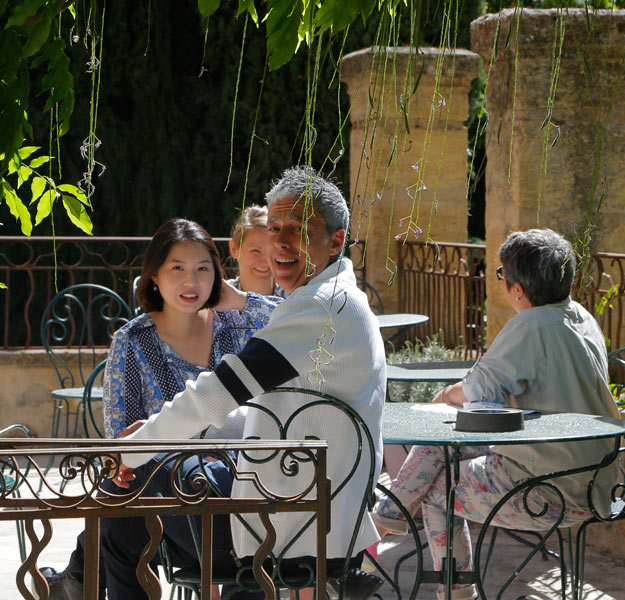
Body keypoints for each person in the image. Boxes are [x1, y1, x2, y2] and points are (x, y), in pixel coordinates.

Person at [102, 166, 386, 600]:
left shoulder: (324, 308)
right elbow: (262, 410)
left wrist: (137, 449)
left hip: (290, 530)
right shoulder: (329, 299)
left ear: (336, 240)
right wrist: (158, 438)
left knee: (124, 499)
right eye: (274, 228)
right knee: (141, 489)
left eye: (298, 228)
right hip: (299, 513)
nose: (282, 242)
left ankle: (78, 579)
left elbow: (220, 391)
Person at [371, 228, 621, 600]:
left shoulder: (531, 326)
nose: (502, 283)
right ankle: (391, 512)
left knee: (440, 489)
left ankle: (430, 562)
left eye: (502, 275)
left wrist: (443, 395)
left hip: (548, 490)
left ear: (517, 289)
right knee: (442, 450)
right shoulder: (579, 315)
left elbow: (476, 389)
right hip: (596, 479)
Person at [41, 218, 282, 600]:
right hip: (170, 508)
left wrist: (238, 298)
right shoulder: (133, 340)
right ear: (153, 276)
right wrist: (128, 457)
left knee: (122, 501)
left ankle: (76, 579)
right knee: (125, 488)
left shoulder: (236, 324)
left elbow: (307, 322)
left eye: (204, 269)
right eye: (178, 269)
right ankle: (78, 578)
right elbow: (118, 446)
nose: (192, 282)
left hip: (242, 489)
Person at [227, 205, 284, 298]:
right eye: (255, 251)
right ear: (234, 249)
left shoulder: (296, 301)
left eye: (272, 251)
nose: (265, 261)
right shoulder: (216, 299)